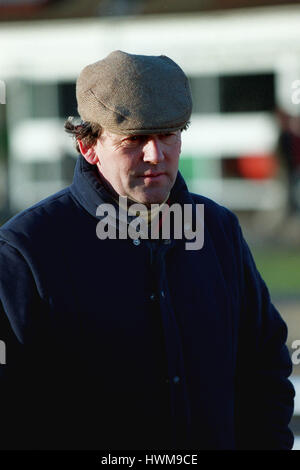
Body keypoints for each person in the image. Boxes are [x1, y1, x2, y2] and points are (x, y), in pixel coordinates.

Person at [0, 50, 295, 450]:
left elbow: (265, 366)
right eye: (135, 140)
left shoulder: (219, 230)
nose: (155, 155)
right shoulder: (26, 251)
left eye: (168, 135)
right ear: (88, 145)